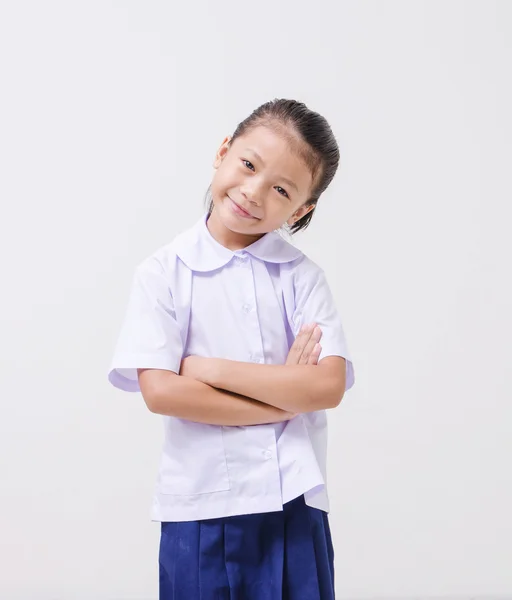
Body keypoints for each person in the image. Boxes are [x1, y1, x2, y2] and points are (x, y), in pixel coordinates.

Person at [108, 98, 355, 600]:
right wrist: (284, 399)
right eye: (248, 165)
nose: (253, 192)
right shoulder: (163, 272)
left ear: (302, 208)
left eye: (281, 190)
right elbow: (162, 393)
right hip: (198, 509)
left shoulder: (302, 278)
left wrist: (205, 368)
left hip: (293, 503)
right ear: (224, 150)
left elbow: (326, 385)